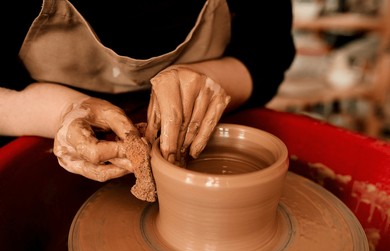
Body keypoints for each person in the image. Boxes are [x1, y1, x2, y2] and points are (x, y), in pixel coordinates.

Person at [0, 0, 295, 182]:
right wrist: (61, 113)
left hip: (199, 148)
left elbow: (268, 53)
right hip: (41, 140)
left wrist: (210, 79)